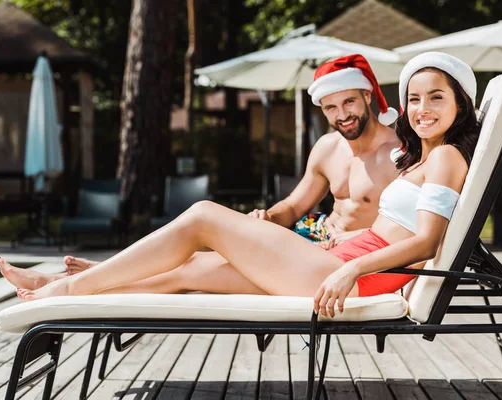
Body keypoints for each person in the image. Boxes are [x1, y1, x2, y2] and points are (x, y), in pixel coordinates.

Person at [0, 52, 481, 318]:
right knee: (192, 271)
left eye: (436, 98)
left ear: (461, 102)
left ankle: (71, 286)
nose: (422, 109)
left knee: (204, 216)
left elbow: (426, 241)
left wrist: (347, 271)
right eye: (414, 98)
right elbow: (381, 227)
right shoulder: (425, 156)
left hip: (353, 276)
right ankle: (63, 285)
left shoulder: (445, 157)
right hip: (338, 259)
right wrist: (279, 227)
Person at [62, 54, 400, 284]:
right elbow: (296, 207)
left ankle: (98, 275)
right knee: (203, 252)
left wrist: (351, 237)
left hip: (347, 255)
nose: (342, 115)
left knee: (198, 264)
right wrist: (268, 216)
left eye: (349, 102)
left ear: (368, 96)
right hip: (314, 236)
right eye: (331, 107)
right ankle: (103, 273)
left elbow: (404, 230)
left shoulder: (400, 153)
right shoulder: (327, 147)